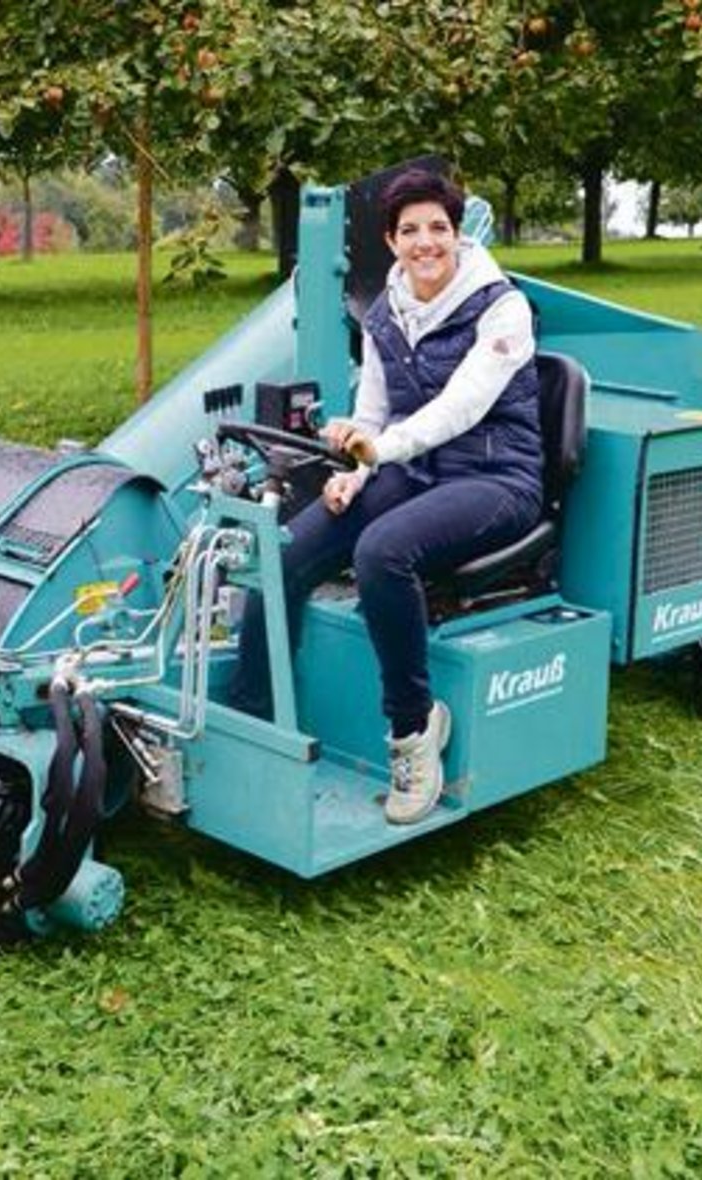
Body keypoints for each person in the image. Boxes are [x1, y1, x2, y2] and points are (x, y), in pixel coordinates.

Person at [229, 168, 544, 824]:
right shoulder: (382, 315)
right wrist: (356, 468)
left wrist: (381, 451)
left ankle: (414, 730)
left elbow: (462, 407)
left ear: (458, 235)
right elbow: (372, 414)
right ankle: (252, 723)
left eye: (438, 228)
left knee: (381, 552)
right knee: (279, 550)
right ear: (390, 240)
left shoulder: (503, 308)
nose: (425, 242)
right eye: (410, 230)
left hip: (495, 480)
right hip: (415, 469)